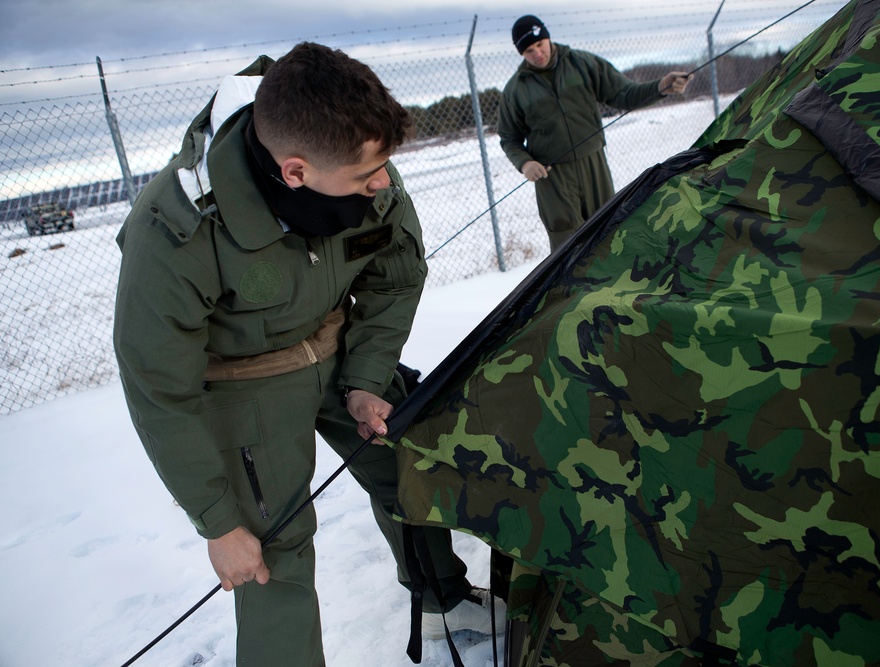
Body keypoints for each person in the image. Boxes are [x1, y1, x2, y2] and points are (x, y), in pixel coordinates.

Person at [113, 42, 503, 665]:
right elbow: (158, 385)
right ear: (295, 172)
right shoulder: (175, 229)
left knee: (405, 467)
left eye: (383, 168)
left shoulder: (359, 157)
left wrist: (368, 379)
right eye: (366, 177)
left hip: (339, 350)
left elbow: (394, 275)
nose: (384, 184)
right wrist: (217, 519)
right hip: (247, 387)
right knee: (273, 551)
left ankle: (443, 600)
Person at [498, 15, 693, 252]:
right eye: (529, 50)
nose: (537, 52)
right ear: (521, 54)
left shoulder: (582, 64)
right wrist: (525, 163)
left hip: (594, 164)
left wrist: (660, 87)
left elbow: (624, 93)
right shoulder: (516, 89)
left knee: (607, 231)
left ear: (548, 38)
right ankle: (573, 290)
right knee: (566, 247)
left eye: (540, 44)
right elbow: (509, 137)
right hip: (553, 178)